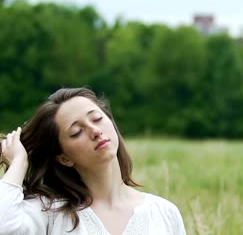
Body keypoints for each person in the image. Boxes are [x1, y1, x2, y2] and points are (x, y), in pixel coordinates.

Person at [0, 87, 186, 235]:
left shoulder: (163, 212)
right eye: (76, 132)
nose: (95, 130)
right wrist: (18, 162)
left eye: (97, 118)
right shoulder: (49, 213)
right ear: (64, 158)